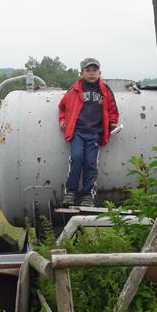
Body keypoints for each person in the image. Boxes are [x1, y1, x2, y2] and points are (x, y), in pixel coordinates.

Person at [58, 58, 119, 207]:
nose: (91, 73)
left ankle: (88, 195)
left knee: (91, 163)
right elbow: (62, 107)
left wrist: (112, 122)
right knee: (77, 158)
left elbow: (112, 109)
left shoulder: (104, 90)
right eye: (88, 71)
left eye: (94, 71)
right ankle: (70, 192)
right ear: (81, 73)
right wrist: (62, 120)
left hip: (95, 133)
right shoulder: (74, 90)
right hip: (78, 132)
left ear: (100, 73)